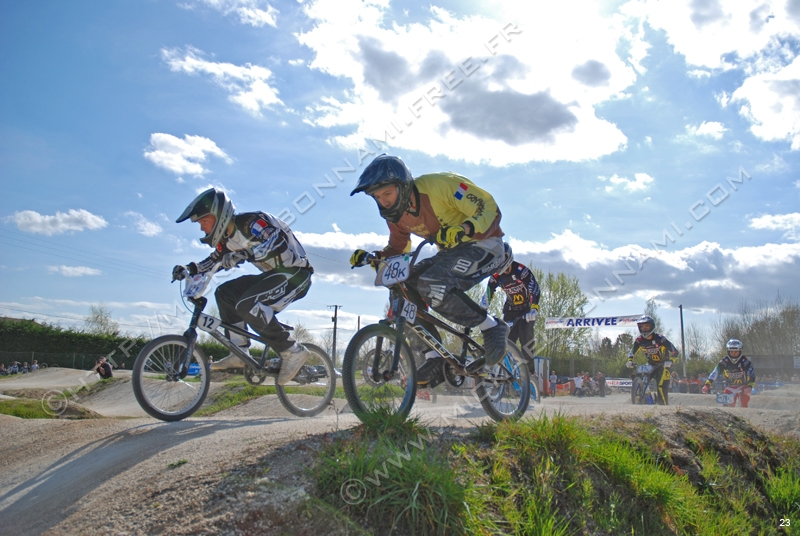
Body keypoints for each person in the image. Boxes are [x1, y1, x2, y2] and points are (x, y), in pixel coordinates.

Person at [349, 155, 511, 385]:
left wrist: (465, 227)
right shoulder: (396, 216)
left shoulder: (439, 186)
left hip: (486, 245)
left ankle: (492, 327)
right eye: (377, 197)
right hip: (450, 254)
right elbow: (399, 248)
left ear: (403, 186)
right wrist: (376, 257)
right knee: (402, 287)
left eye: (387, 193)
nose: (384, 202)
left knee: (431, 282)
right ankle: (434, 356)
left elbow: (487, 206)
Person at [172, 188, 314, 386]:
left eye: (204, 221)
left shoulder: (251, 222)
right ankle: (239, 352)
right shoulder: (226, 242)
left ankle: (292, 350)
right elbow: (212, 261)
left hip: (295, 275)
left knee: (248, 304)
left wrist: (245, 253)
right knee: (225, 293)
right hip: (272, 276)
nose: (202, 228)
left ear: (219, 215)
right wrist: (189, 269)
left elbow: (276, 241)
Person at [483, 260, 541, 366]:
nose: (503, 270)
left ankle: (530, 371)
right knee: (506, 340)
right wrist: (483, 307)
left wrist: (534, 307)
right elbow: (489, 290)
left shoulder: (521, 271)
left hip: (526, 309)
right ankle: (507, 369)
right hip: (510, 310)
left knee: (526, 337)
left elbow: (534, 288)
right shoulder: (496, 274)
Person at [626, 314, 679, 405]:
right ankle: (645, 401)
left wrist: (671, 361)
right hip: (651, 365)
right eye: (642, 326)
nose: (645, 328)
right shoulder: (639, 340)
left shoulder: (660, 338)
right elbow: (632, 351)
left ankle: (664, 408)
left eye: (647, 326)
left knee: (660, 387)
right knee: (644, 381)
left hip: (663, 366)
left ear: (652, 326)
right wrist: (630, 360)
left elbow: (674, 351)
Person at [702, 339, 756, 408]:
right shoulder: (724, 361)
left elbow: (751, 374)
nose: (733, 353)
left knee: (744, 402)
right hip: (730, 387)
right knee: (726, 405)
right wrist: (707, 384)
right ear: (728, 351)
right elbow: (715, 372)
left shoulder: (745, 361)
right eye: (731, 352)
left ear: (740, 351)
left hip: (743, 387)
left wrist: (749, 386)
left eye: (736, 352)